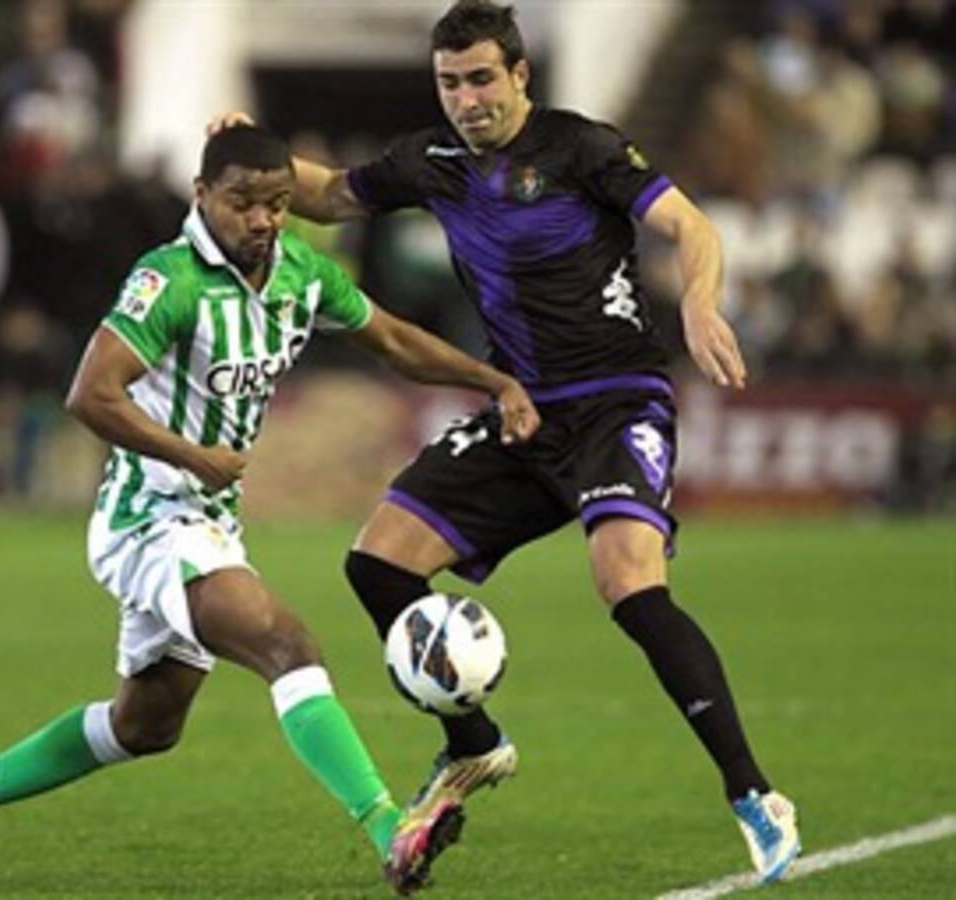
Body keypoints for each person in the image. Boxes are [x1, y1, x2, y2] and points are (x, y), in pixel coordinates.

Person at [213, 0, 800, 884]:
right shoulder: (432, 161)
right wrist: (253, 153)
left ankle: (754, 794)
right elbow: (330, 193)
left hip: (615, 402)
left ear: (520, 75)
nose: (466, 98)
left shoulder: (581, 147)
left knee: (628, 586)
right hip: (523, 411)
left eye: (482, 77)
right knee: (377, 563)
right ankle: (474, 742)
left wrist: (699, 298)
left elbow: (691, 225)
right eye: (450, 82)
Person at [0, 124, 541, 896]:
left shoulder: (298, 276)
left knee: (146, 725)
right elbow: (90, 393)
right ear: (202, 196)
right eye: (243, 201)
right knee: (287, 644)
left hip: (207, 522)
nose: (263, 219)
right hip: (147, 518)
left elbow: (394, 341)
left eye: (277, 203)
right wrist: (191, 455)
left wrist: (495, 381)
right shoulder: (167, 280)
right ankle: (392, 829)